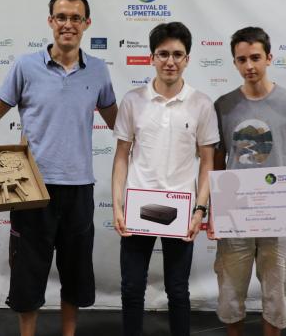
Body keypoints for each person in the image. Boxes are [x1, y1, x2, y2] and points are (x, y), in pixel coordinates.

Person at [0, 0, 117, 336]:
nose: (68, 24)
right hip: (29, 188)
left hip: (80, 188)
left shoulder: (98, 71)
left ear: (86, 24)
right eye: (62, 17)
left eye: (76, 18)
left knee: (75, 271)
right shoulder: (25, 66)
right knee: (29, 271)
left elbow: (119, 125)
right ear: (51, 21)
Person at [210, 27, 286, 336]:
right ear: (234, 63)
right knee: (231, 293)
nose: (249, 66)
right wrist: (214, 213)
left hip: (279, 215)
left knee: (275, 294)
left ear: (269, 58)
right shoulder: (223, 106)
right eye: (242, 59)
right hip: (236, 215)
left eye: (256, 58)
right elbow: (217, 164)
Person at [111, 22, 219, 336]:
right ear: (152, 58)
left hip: (181, 212)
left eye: (177, 54)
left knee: (178, 290)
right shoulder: (133, 100)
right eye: (163, 54)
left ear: (187, 59)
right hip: (137, 209)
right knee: (131, 289)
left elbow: (208, 162)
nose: (170, 61)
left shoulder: (201, 104)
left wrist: (200, 210)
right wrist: (118, 205)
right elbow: (121, 156)